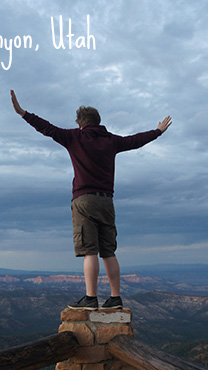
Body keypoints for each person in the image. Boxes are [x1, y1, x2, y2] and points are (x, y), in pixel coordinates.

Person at [10, 90, 172, 310]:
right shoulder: (111, 141)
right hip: (107, 201)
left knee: (90, 251)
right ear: (98, 122)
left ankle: (90, 298)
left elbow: (46, 127)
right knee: (109, 251)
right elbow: (135, 141)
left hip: (84, 201)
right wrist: (158, 131)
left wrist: (22, 113)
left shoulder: (74, 137)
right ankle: (115, 298)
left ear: (80, 124)